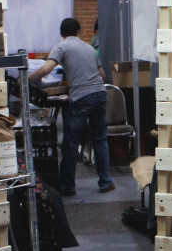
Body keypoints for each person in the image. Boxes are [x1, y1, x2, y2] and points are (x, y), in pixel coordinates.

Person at [30, 17, 115, 195]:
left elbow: (46, 70)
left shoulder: (62, 47)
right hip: (100, 95)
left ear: (62, 33)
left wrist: (25, 78)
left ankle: (68, 187)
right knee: (100, 140)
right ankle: (105, 182)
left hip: (81, 98)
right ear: (79, 32)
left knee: (70, 143)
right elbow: (103, 75)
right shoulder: (90, 48)